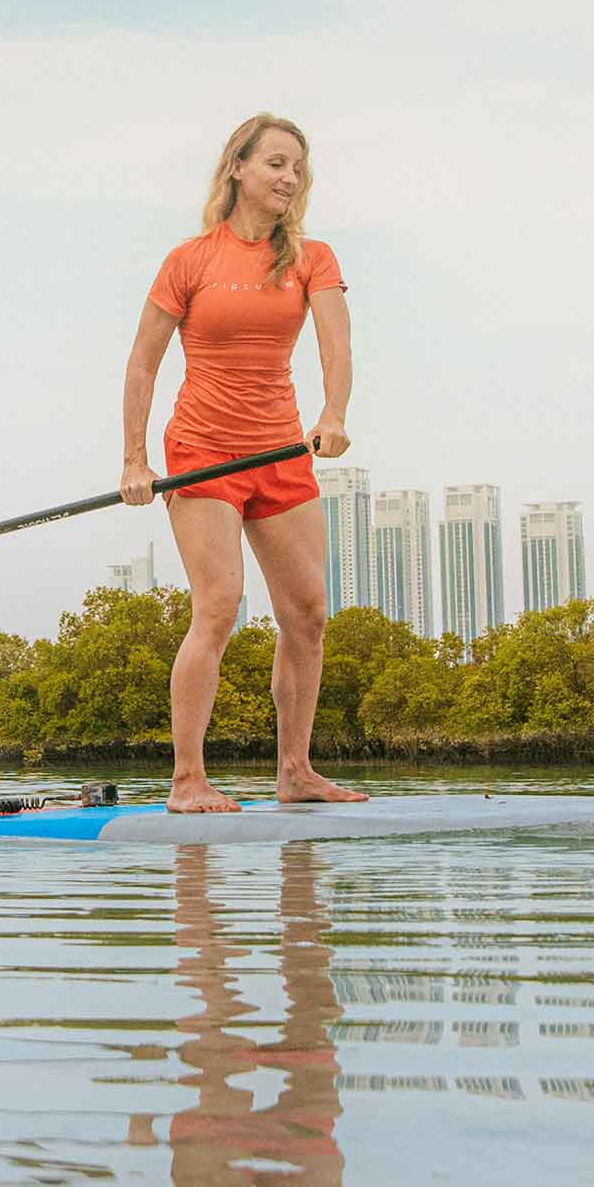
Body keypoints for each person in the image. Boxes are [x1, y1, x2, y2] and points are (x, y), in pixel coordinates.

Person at [122, 112, 361, 815]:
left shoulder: (313, 258)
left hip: (281, 450)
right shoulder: (189, 260)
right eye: (276, 164)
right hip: (202, 454)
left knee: (309, 613)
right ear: (238, 168)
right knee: (220, 605)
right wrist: (136, 458)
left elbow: (336, 350)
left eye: (298, 169)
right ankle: (187, 780)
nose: (290, 178)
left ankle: (296, 771)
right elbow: (142, 363)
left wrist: (333, 415)